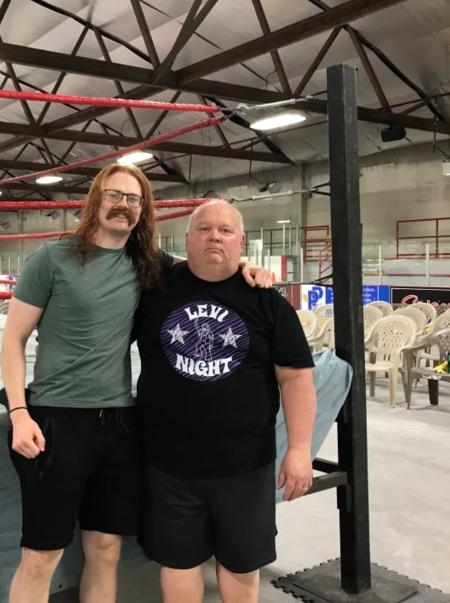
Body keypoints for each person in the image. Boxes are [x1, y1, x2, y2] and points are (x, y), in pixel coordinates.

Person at [0, 164, 271, 603]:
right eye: (114, 195)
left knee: (105, 550)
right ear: (95, 200)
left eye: (133, 199)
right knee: (41, 555)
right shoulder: (52, 259)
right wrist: (18, 412)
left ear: (143, 210)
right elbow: (13, 339)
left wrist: (246, 267)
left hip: (121, 423)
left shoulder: (149, 265)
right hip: (57, 418)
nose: (122, 206)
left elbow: (205, 262)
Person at [133, 199, 317, 603]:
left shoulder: (267, 299)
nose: (214, 236)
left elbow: (297, 378)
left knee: (240, 564)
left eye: (224, 230)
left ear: (242, 242)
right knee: (178, 563)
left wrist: (301, 449)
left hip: (244, 465)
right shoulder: (154, 291)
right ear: (186, 239)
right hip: (168, 464)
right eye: (204, 229)